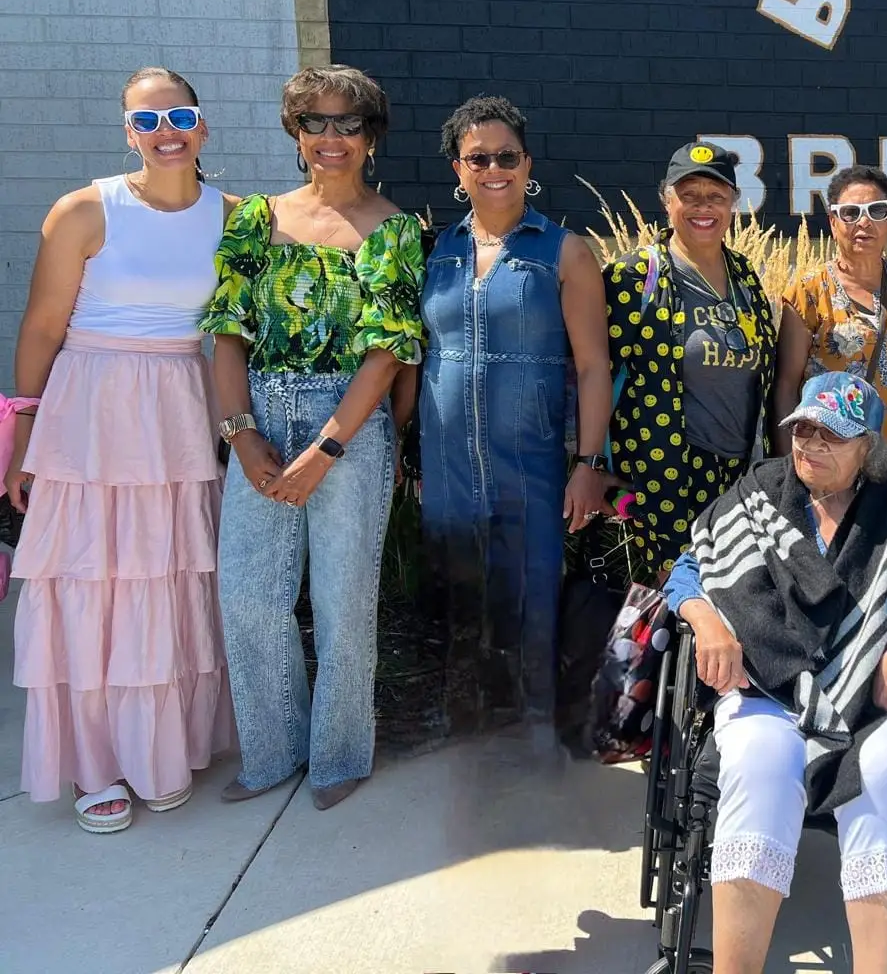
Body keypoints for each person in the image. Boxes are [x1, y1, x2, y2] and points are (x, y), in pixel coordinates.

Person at [665, 372, 887, 974]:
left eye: (832, 434)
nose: (811, 443)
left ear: (868, 448)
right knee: (759, 759)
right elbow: (688, 570)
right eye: (803, 428)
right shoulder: (758, 494)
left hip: (873, 697)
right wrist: (708, 623)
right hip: (771, 684)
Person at [6, 68, 235, 832]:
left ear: (203, 125)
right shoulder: (83, 210)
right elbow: (42, 328)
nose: (166, 131)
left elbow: (234, 335)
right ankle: (97, 764)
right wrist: (24, 435)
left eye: (181, 116)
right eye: (147, 120)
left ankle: (161, 753)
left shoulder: (236, 217)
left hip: (177, 413)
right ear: (127, 131)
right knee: (91, 584)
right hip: (90, 413)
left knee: (167, 582)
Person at [202, 65, 423, 812]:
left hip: (348, 427)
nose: (332, 137)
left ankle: (338, 755)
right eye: (314, 122)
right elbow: (227, 333)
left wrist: (327, 449)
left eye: (348, 123)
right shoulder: (254, 218)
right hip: (259, 413)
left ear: (371, 137)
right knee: (248, 597)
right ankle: (271, 753)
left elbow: (387, 351)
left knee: (343, 602)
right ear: (295, 134)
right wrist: (241, 436)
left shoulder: (393, 229)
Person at [411, 95, 612, 734]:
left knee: (531, 599)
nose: (493, 169)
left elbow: (593, 367)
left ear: (527, 164)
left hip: (529, 466)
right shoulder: (436, 251)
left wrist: (589, 463)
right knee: (460, 600)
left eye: (507, 157)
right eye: (478, 159)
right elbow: (413, 357)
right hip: (447, 468)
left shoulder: (564, 251)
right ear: (458, 169)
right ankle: (466, 729)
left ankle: (530, 739)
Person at [604, 141, 777, 581]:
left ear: (733, 203)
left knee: (738, 596)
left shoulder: (744, 276)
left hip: (740, 476)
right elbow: (592, 375)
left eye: (716, 195)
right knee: (683, 597)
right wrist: (592, 467)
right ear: (667, 201)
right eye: (690, 195)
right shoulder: (633, 276)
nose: (704, 206)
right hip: (665, 475)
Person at [775, 165, 887, 509]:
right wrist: (790, 472)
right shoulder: (808, 292)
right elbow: (786, 386)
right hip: (832, 465)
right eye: (850, 213)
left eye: (877, 211)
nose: (864, 222)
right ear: (833, 222)